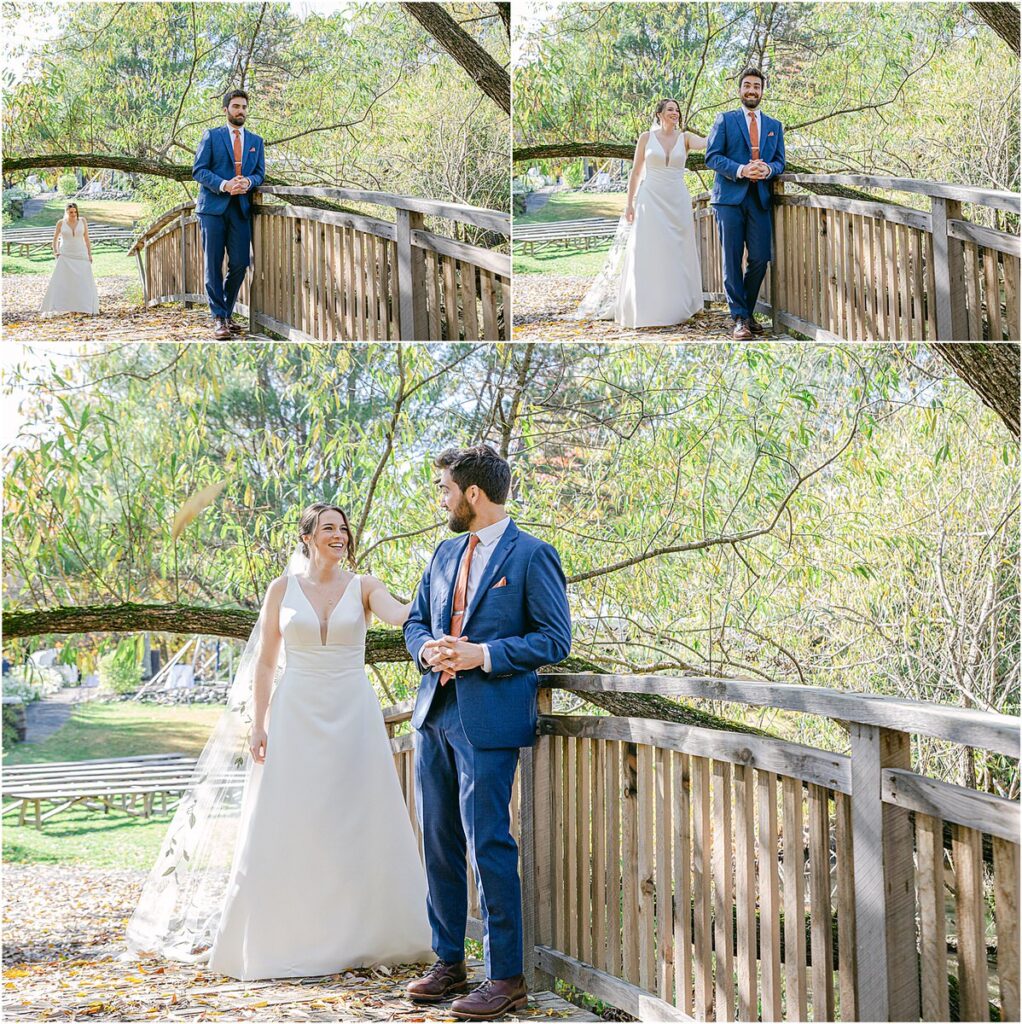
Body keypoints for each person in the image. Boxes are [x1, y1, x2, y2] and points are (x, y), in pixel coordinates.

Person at [126, 503, 432, 980]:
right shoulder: (281, 590)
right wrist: (259, 723)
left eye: (344, 528)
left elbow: (404, 614)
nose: (340, 535)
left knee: (361, 815)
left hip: (353, 712)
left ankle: (369, 933)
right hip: (296, 713)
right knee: (294, 816)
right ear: (307, 536)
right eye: (328, 528)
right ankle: (291, 934)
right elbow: (267, 662)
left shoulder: (365, 586)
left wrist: (442, 577)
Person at [404, 445, 572, 1021]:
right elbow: (414, 619)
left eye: (445, 489)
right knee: (439, 842)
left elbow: (554, 639)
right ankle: (448, 961)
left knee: (488, 846)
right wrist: (426, 647)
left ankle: (505, 978)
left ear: (473, 494)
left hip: (491, 721)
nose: (442, 499)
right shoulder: (445, 552)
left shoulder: (532, 555)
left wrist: (484, 654)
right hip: (435, 714)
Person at [575, 99, 706, 328]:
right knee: (649, 248)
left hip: (677, 199)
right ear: (659, 114)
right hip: (651, 199)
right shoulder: (647, 138)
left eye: (677, 110)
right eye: (670, 110)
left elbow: (706, 142)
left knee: (677, 249)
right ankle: (647, 305)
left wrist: (723, 124)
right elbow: (636, 173)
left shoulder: (685, 138)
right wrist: (629, 204)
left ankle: (677, 304)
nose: (675, 113)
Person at [704, 67, 786, 340]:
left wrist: (769, 170)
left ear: (763, 91)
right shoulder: (725, 120)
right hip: (728, 199)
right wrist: (741, 169)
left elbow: (780, 162)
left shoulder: (775, 126)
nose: (752, 90)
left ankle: (746, 312)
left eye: (757, 86)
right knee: (731, 259)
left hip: (760, 198)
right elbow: (712, 157)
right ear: (739, 90)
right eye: (747, 85)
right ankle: (739, 319)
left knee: (761, 258)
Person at [192, 89, 266, 340]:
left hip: (240, 209)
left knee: (240, 263)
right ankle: (219, 318)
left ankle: (225, 311)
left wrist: (248, 181)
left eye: (244, 107)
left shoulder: (256, 141)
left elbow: (260, 173)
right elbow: (199, 170)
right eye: (236, 106)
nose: (241, 111)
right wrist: (224, 184)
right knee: (213, 264)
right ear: (226, 110)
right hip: (212, 209)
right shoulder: (212, 136)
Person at [39, 201, 100, 316]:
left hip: (81, 254)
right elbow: (55, 239)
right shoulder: (61, 223)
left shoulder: (82, 221)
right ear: (66, 212)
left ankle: (84, 306)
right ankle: (69, 307)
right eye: (71, 212)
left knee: (83, 281)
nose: (73, 214)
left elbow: (87, 239)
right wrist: (55, 252)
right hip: (66, 255)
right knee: (65, 281)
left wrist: (89, 254)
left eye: (75, 212)